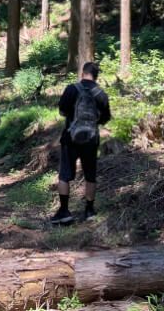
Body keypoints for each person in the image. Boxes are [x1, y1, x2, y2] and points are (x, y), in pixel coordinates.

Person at [51, 62, 110, 225]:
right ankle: (90, 210)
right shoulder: (101, 94)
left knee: (64, 175)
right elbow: (104, 119)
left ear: (83, 73)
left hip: (70, 138)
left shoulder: (72, 88)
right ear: (96, 76)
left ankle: (64, 212)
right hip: (91, 140)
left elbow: (62, 111)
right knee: (90, 175)